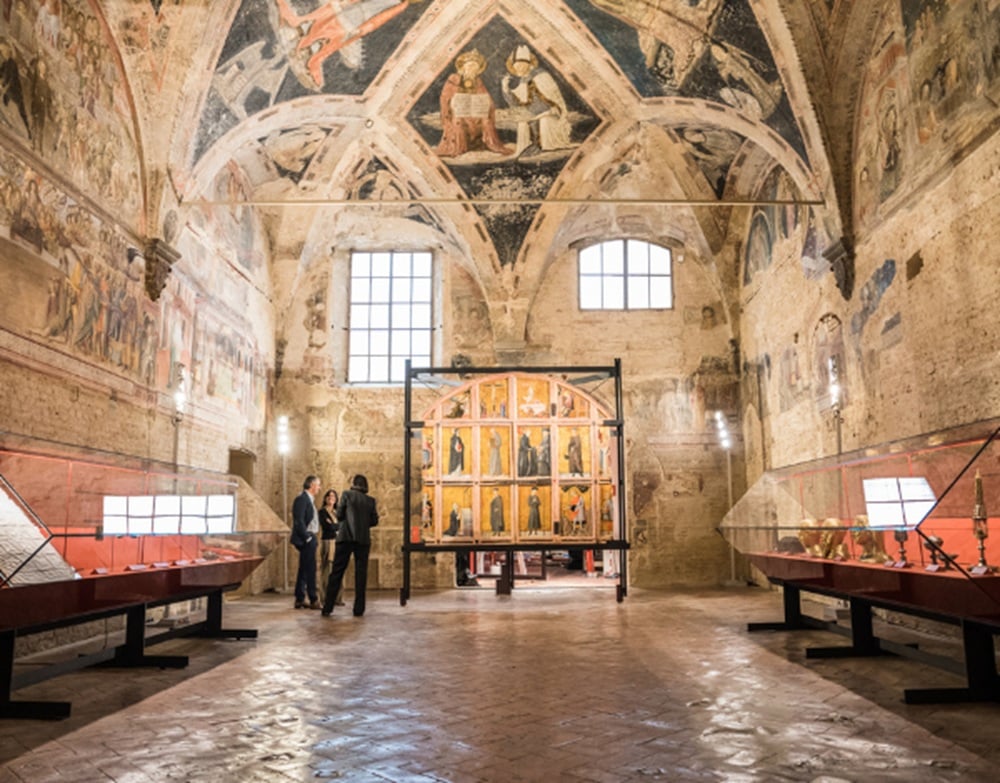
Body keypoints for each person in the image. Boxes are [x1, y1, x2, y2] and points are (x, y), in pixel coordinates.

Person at [435, 49, 511, 158]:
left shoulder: (478, 81)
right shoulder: (454, 79)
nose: (472, 69)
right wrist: (453, 105)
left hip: (474, 112)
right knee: (458, 121)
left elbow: (486, 97)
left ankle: (491, 144)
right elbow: (445, 97)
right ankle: (459, 148)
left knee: (486, 120)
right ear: (463, 67)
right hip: (457, 112)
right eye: (470, 66)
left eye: (475, 67)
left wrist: (487, 105)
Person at [322, 474, 379, 617]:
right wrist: (363, 523)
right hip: (363, 540)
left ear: (353, 483)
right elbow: (374, 521)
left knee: (336, 573)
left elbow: (340, 515)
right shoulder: (371, 501)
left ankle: (328, 607)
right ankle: (359, 609)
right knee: (361, 575)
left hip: (345, 537)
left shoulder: (347, 494)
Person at [501, 45, 572, 157]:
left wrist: (540, 115)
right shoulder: (524, 80)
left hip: (550, 114)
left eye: (520, 65)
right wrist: (505, 88)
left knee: (544, 121)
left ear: (528, 64)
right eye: (516, 66)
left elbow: (555, 102)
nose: (518, 69)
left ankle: (547, 148)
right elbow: (516, 102)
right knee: (522, 123)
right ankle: (524, 150)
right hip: (534, 116)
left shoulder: (542, 76)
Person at [290, 475, 322, 609]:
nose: (319, 488)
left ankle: (299, 598)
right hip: (306, 538)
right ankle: (313, 599)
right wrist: (307, 538)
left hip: (310, 537)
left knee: (304, 568)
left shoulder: (309, 500)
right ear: (312, 485)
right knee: (311, 568)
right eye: (318, 484)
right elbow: (299, 520)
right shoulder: (302, 499)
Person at [318, 489, 344, 606]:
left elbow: (342, 525)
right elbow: (328, 527)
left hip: (338, 543)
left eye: (333, 496)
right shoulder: (322, 512)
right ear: (325, 498)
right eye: (328, 496)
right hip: (328, 542)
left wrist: (334, 525)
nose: (331, 498)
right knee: (327, 570)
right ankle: (325, 598)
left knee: (338, 570)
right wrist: (335, 526)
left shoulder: (338, 511)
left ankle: (338, 598)